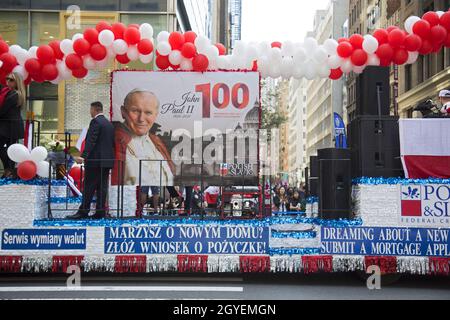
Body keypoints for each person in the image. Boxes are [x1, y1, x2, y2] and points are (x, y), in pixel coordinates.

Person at [111, 88, 175, 186]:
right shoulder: (114, 140)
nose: (141, 119)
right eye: (135, 111)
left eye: (148, 113)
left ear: (155, 115)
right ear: (123, 112)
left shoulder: (157, 142)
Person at [67, 102, 115, 219]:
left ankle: (83, 211)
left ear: (95, 109)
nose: (90, 112)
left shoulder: (95, 122)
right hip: (106, 161)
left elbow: (91, 141)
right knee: (102, 187)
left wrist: (83, 156)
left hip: (95, 161)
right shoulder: (109, 124)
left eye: (91, 109)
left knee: (89, 186)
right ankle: (100, 211)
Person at [0, 73, 25, 178]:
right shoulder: (6, 92)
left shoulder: (15, 94)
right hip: (8, 125)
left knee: (10, 149)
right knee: (10, 149)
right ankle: (8, 170)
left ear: (17, 82)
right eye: (7, 79)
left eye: (11, 80)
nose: (8, 81)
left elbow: (3, 110)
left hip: (10, 126)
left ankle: (8, 170)